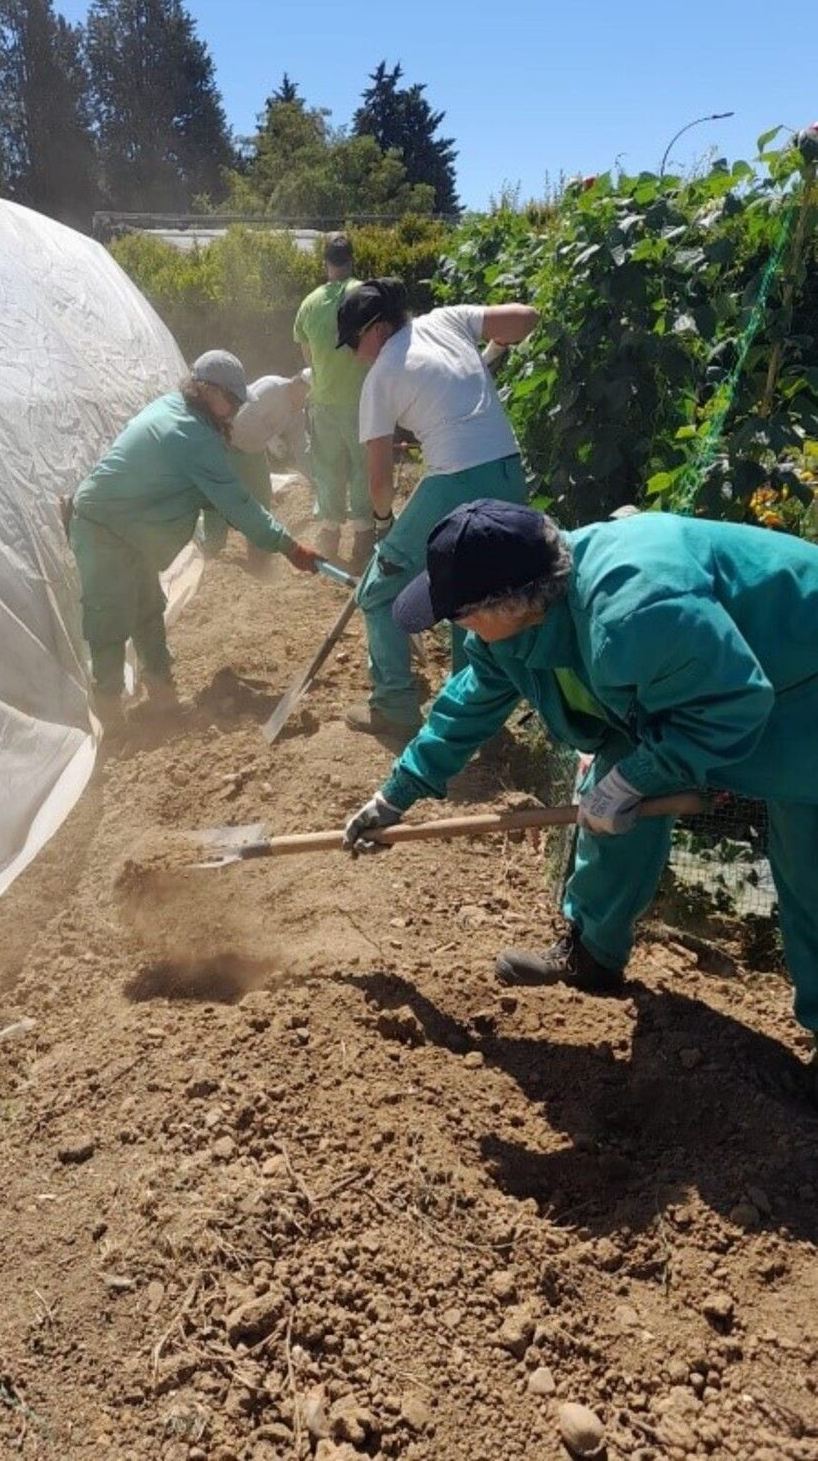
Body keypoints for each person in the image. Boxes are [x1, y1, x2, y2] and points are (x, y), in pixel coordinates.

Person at [343, 498, 818, 1097]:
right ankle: (593, 952)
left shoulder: (633, 612)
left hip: (800, 680)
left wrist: (639, 778)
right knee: (611, 790)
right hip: (721, 688)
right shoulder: (523, 616)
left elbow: (734, 703)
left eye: (461, 615)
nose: (457, 629)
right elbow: (468, 703)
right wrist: (396, 794)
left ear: (509, 604)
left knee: (810, 868)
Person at [69, 351, 321, 724]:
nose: (235, 409)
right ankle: (110, 715)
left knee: (147, 609)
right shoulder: (190, 434)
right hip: (103, 526)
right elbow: (237, 503)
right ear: (207, 390)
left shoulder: (179, 409)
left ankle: (163, 697)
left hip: (132, 527)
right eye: (231, 400)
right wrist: (289, 545)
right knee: (109, 616)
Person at [335, 277, 538, 741]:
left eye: (354, 342)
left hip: (456, 481)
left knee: (378, 592)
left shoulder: (381, 377)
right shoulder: (447, 320)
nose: (355, 354)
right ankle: (474, 719)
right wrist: (491, 349)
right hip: (509, 474)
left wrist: (384, 524)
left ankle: (394, 707)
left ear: (377, 329)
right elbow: (527, 318)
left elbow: (379, 482)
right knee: (475, 596)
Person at [293, 233, 374, 571]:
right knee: (363, 468)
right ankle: (364, 537)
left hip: (323, 401)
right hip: (362, 403)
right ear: (352, 260)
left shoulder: (309, 304)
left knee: (328, 468)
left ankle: (329, 533)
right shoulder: (365, 295)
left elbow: (308, 357)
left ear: (326, 263)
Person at [201, 370, 310, 572]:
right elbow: (242, 419)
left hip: (254, 451)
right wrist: (271, 439)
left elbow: (301, 445)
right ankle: (211, 546)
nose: (306, 401)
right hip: (229, 444)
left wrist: (313, 476)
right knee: (220, 498)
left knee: (262, 497)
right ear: (297, 385)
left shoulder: (297, 412)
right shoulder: (271, 388)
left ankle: (259, 550)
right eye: (306, 394)